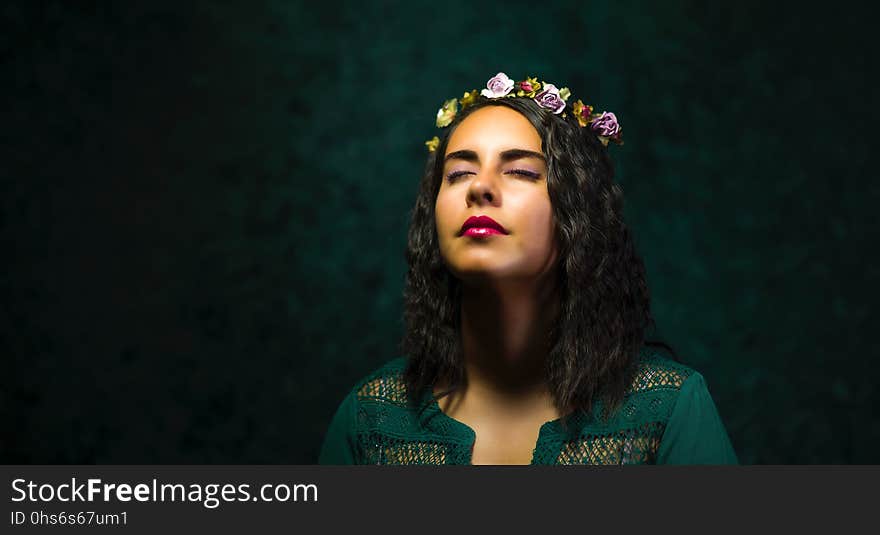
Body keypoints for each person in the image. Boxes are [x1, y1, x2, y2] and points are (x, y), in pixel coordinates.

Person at [319, 72, 737, 465]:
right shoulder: (370, 417)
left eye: (520, 171)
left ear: (577, 210)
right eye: (459, 173)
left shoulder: (667, 410)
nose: (480, 187)